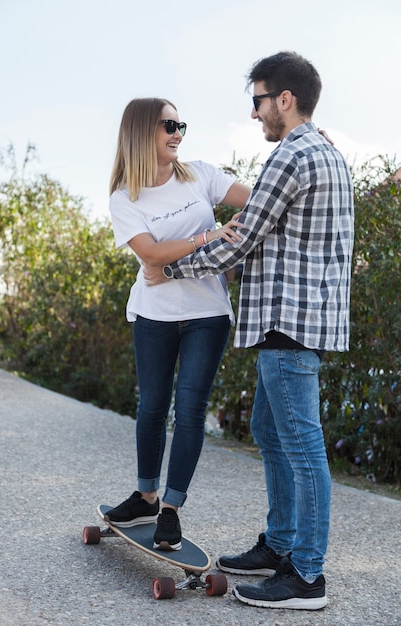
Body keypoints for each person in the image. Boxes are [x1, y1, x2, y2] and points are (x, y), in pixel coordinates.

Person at [145, 52, 354, 609]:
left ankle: (305, 575)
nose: (256, 113)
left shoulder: (291, 156)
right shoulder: (325, 150)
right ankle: (280, 545)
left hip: (288, 320)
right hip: (300, 316)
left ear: (284, 100)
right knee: (269, 427)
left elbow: (242, 239)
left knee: (304, 447)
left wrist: (170, 268)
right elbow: (272, 241)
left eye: (258, 101)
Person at [105, 97, 251, 551]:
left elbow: (262, 200)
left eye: (180, 124)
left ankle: (170, 508)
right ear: (141, 131)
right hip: (155, 315)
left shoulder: (201, 175)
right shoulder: (124, 197)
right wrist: (209, 236)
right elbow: (149, 254)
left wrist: (305, 157)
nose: (177, 132)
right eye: (168, 124)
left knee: (190, 411)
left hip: (207, 314)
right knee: (152, 406)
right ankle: (146, 494)